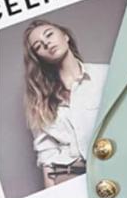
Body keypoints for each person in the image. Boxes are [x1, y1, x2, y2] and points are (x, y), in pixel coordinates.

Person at [22, 18, 108, 188]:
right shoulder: (39, 98)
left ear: (65, 36)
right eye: (38, 46)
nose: (46, 43)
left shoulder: (104, 75)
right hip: (68, 175)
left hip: (109, 163)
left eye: (49, 34)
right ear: (38, 57)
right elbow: (46, 153)